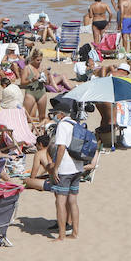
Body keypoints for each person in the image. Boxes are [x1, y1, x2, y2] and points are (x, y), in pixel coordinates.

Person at [49, 97, 95, 241]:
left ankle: (61, 235)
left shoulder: (62, 125)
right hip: (78, 167)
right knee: (73, 202)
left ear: (61, 114)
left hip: (66, 168)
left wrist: (55, 167)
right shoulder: (76, 123)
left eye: (55, 113)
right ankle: (75, 232)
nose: (54, 116)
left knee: (60, 202)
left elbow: (61, 147)